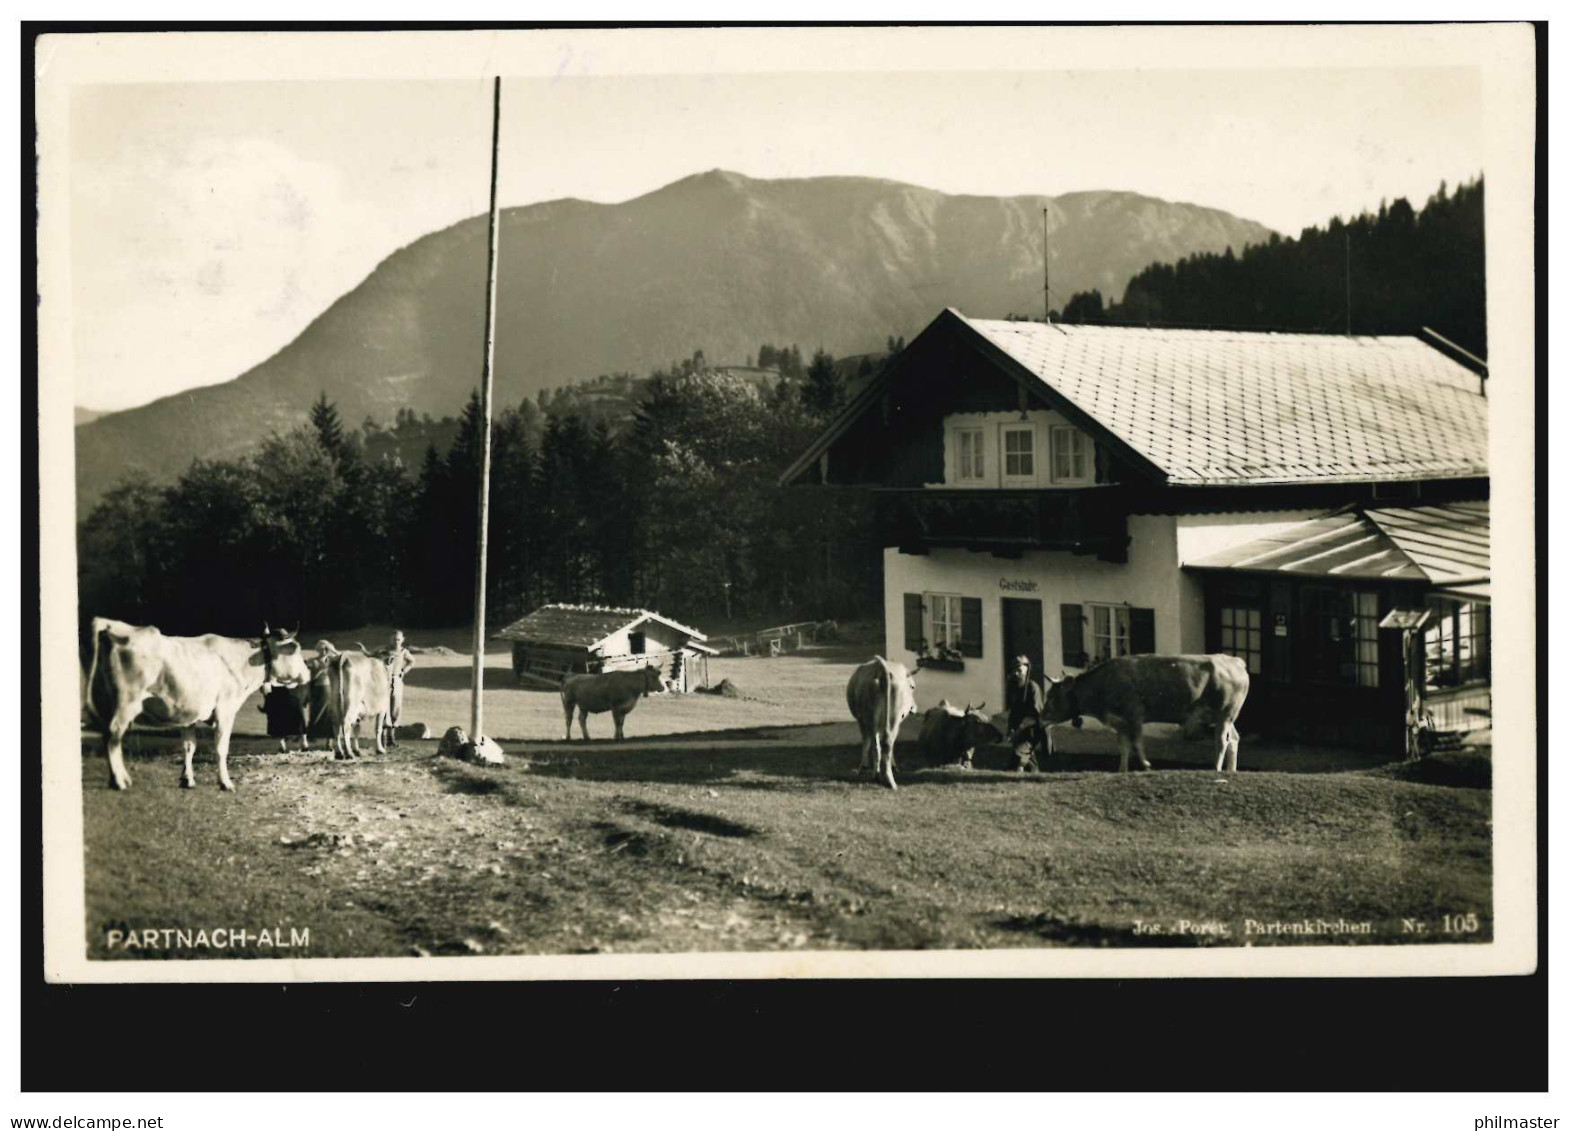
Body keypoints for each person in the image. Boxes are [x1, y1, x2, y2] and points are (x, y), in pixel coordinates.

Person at [382, 630, 416, 747]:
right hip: (384, 681)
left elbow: (412, 661)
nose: (396, 642)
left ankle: (392, 738)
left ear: (402, 640)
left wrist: (403, 671)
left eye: (398, 639)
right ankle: (383, 738)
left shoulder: (403, 652)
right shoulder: (384, 650)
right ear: (390, 639)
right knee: (384, 708)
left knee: (395, 708)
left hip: (396, 680)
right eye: (394, 639)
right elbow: (372, 656)